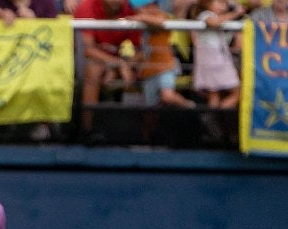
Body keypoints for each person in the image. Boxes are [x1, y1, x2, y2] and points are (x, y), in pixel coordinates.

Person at [73, 0, 143, 141]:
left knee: (147, 66)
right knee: (93, 70)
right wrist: (118, 64)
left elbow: (140, 50)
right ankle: (86, 130)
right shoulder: (87, 7)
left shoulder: (132, 9)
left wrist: (126, 64)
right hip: (85, 60)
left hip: (119, 61)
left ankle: (145, 136)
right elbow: (88, 50)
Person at [127, 0, 196, 108]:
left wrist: (141, 17)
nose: (144, 10)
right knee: (150, 108)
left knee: (167, 95)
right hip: (149, 70)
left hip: (166, 66)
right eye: (142, 8)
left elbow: (161, 21)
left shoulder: (162, 16)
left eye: (148, 6)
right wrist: (131, 63)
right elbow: (145, 50)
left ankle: (192, 107)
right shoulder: (142, 28)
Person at [190, 0, 244, 109]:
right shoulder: (205, 15)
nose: (223, 5)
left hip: (216, 61)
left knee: (215, 96)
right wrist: (235, 13)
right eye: (219, 2)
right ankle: (217, 116)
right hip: (214, 63)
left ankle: (213, 119)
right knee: (236, 92)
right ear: (207, 4)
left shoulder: (219, 17)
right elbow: (213, 22)